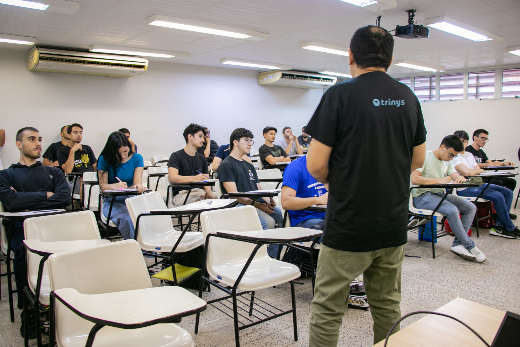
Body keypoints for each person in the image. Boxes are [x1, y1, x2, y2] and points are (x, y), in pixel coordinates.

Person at [305, 26, 427, 346]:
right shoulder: (408, 97)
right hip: (392, 223)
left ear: (350, 56)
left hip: (349, 224)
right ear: (390, 58)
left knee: (329, 309)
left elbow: (315, 165)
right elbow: (417, 161)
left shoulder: (339, 95)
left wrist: (346, 179)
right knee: (387, 306)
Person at [0, 127, 69, 338]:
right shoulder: (7, 175)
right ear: (19, 144)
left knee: (74, 250)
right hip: (22, 227)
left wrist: (27, 201)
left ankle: (66, 301)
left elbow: (64, 198)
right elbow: (10, 202)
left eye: (39, 139)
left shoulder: (54, 172)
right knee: (24, 252)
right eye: (31, 139)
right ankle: (28, 309)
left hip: (53, 225)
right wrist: (45, 195)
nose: (38, 143)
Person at [412, 135, 484, 262]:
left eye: (454, 156)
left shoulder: (447, 161)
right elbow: (414, 179)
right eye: (450, 155)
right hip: (422, 196)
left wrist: (460, 179)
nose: (451, 158)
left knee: (470, 207)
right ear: (442, 147)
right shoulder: (424, 157)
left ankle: (458, 244)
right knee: (452, 210)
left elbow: (454, 175)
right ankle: (469, 245)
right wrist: (438, 180)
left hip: (439, 194)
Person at [452, 130, 519, 239]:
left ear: (467, 141)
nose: (460, 144)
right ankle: (510, 227)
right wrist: (474, 171)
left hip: (477, 184)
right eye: (458, 141)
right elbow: (467, 172)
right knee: (498, 196)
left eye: (463, 141)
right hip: (465, 188)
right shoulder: (455, 156)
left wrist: (474, 171)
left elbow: (478, 170)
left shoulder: (469, 155)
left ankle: (499, 226)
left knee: (508, 192)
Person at [218, 128, 283, 232]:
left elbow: (259, 188)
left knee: (281, 215)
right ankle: (260, 246)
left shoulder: (249, 165)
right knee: (268, 222)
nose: (250, 144)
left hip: (254, 201)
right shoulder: (226, 165)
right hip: (239, 204)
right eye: (246, 140)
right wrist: (257, 205)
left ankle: (273, 247)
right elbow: (234, 195)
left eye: (251, 141)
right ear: (235, 142)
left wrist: (268, 200)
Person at [97, 131, 145, 240]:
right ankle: (134, 248)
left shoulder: (137, 158)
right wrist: (115, 186)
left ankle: (150, 246)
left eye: (125, 151)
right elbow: (103, 186)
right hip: (112, 202)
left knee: (147, 215)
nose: (123, 156)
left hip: (132, 199)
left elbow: (137, 182)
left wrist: (138, 186)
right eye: (119, 154)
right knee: (127, 218)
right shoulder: (105, 159)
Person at [168, 123, 215, 206]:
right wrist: (195, 178)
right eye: (200, 136)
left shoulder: (202, 158)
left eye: (203, 137)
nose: (203, 140)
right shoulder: (175, 156)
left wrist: (208, 191)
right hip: (183, 193)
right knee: (200, 203)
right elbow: (173, 177)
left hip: (200, 192)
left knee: (219, 198)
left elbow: (205, 179)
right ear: (190, 137)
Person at [57, 123, 97, 197]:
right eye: (75, 132)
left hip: (90, 177)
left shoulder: (87, 148)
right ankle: (85, 206)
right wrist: (72, 151)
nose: (79, 135)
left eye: (80, 132)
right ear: (69, 135)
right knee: (83, 179)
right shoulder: (62, 151)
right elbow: (68, 170)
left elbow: (94, 165)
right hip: (75, 179)